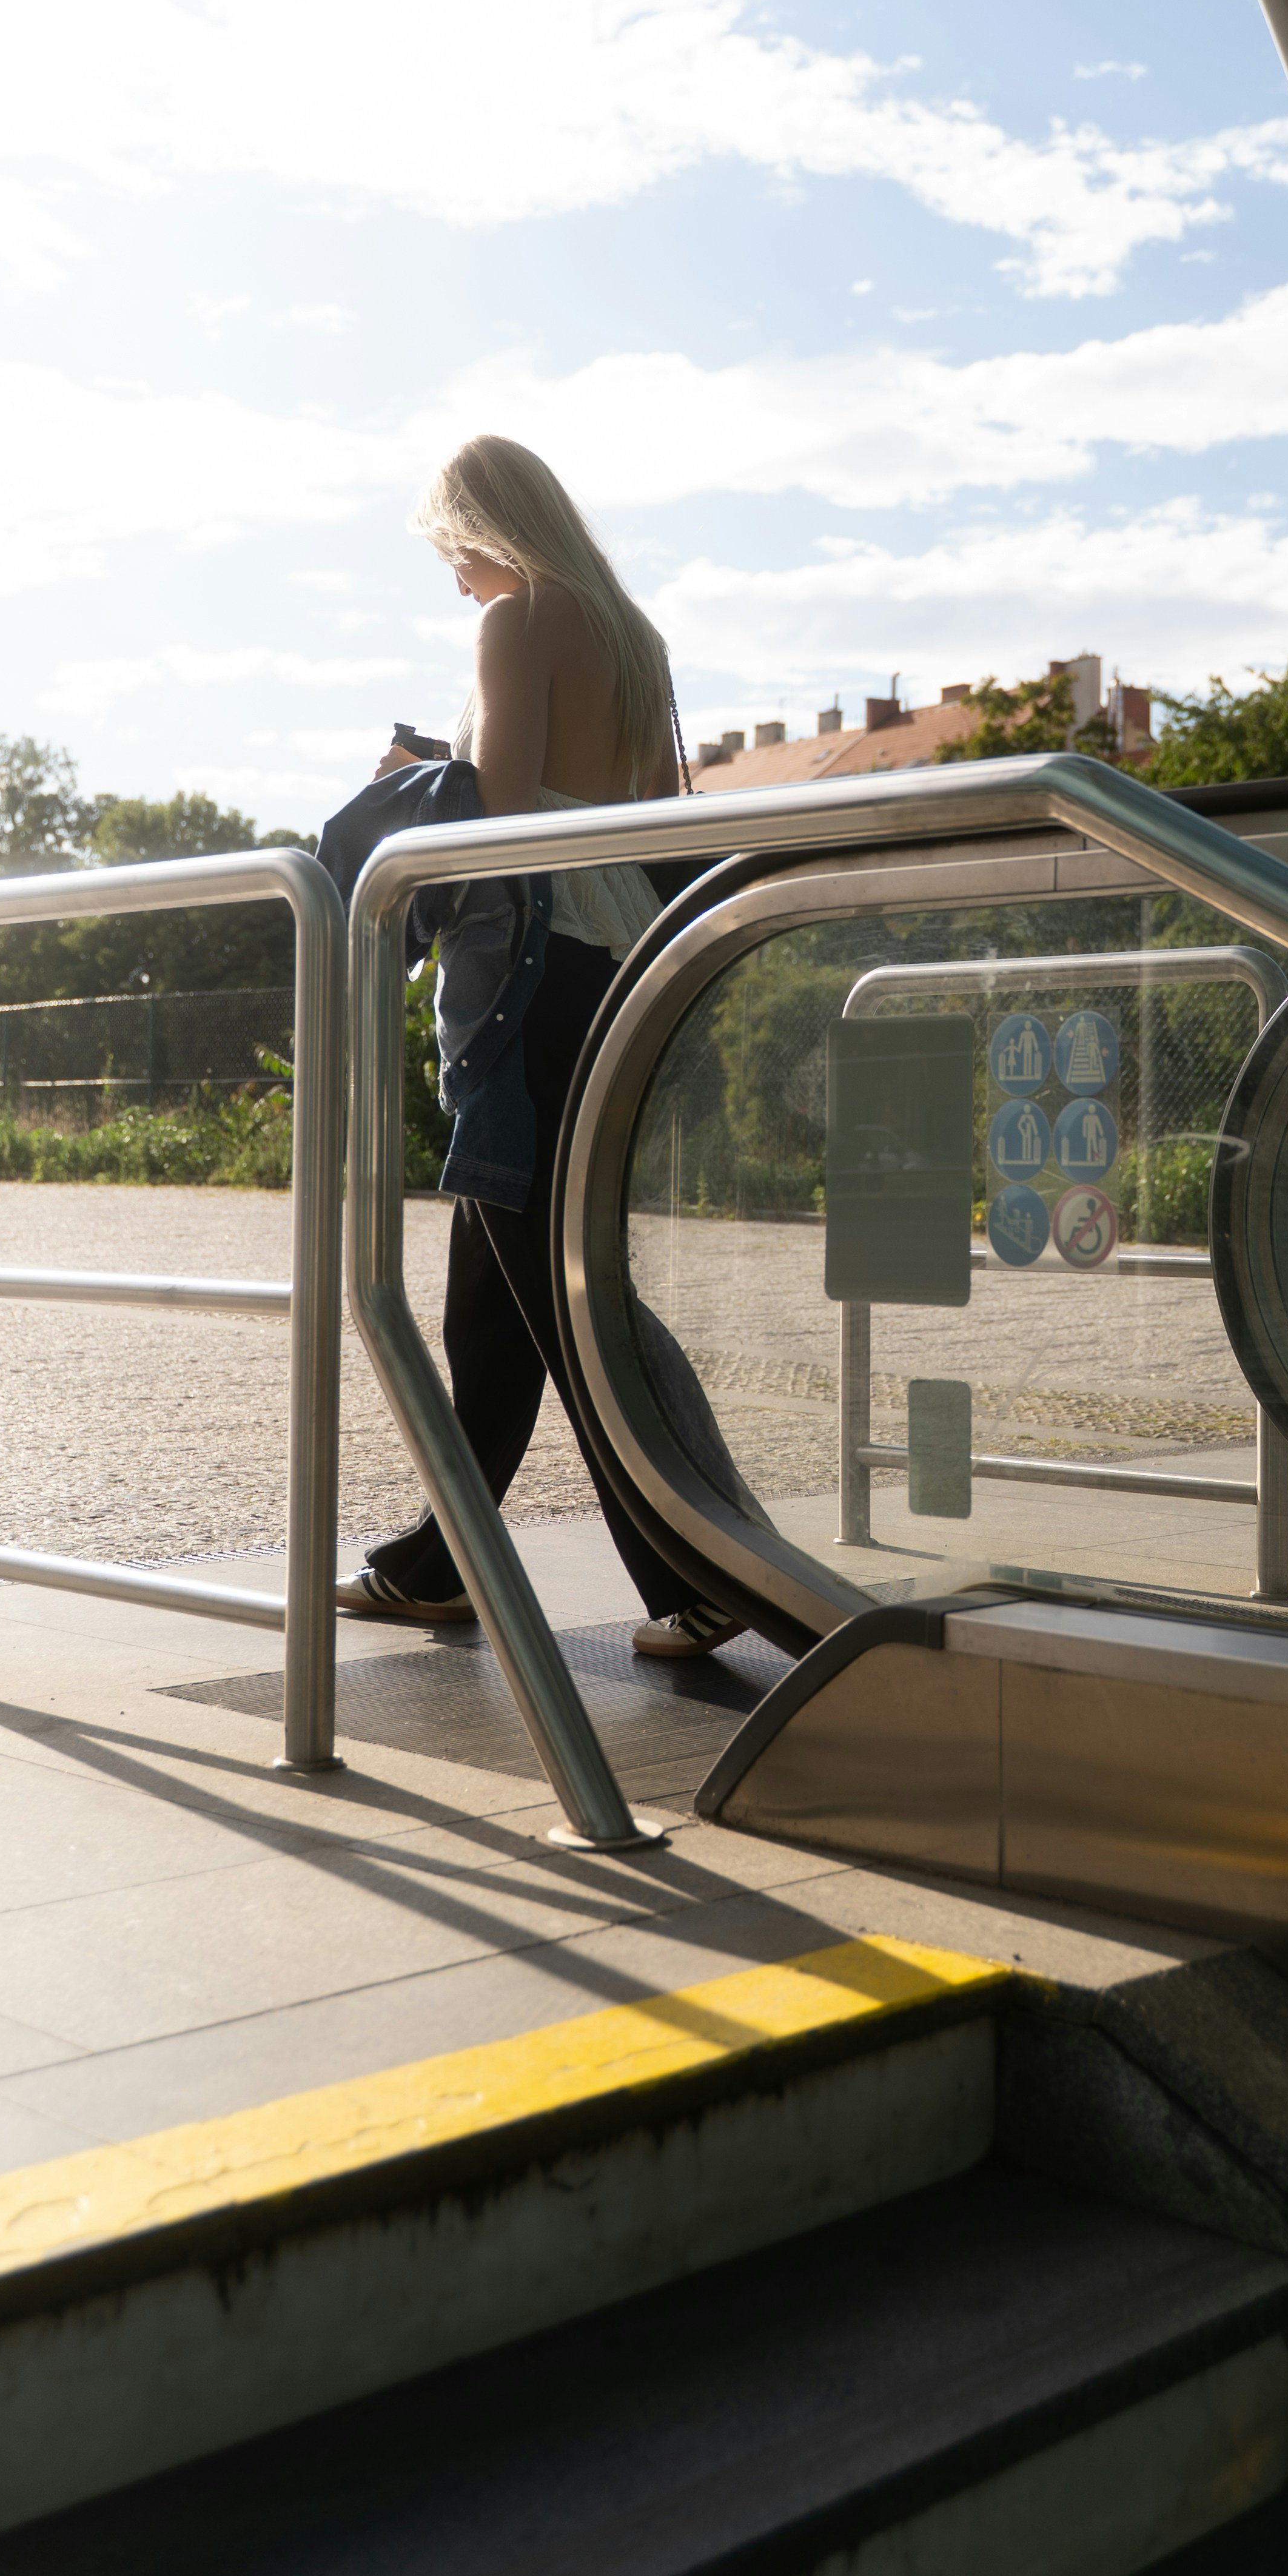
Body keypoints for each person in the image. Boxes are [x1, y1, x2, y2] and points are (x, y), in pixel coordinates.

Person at [334, 435, 740, 1660]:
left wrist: (412, 781)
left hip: (528, 977)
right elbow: (661, 816)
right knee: (495, 1307)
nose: (454, 581)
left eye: (450, 552)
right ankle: (440, 1561)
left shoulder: (518, 620)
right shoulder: (631, 633)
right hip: (616, 966)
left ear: (479, 527)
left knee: (568, 1301)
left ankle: (704, 1569)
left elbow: (497, 815)